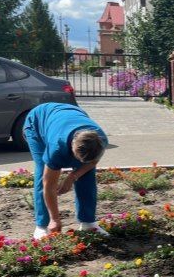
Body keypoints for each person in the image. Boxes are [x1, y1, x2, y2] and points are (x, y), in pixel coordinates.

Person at [23, 102, 109, 240]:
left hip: (69, 114)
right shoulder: (56, 148)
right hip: (38, 122)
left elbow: (92, 162)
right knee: (41, 172)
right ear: (72, 146)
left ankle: (88, 222)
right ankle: (42, 225)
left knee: (87, 173)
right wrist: (55, 219)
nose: (81, 163)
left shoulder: (100, 139)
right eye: (78, 159)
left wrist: (73, 176)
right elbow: (49, 185)